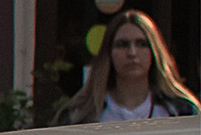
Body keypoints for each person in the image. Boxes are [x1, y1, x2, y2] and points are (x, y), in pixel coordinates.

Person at [63, 9, 199, 123]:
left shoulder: (182, 112)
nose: (132, 53)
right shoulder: (80, 114)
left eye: (141, 44)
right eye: (122, 44)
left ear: (154, 51)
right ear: (108, 53)